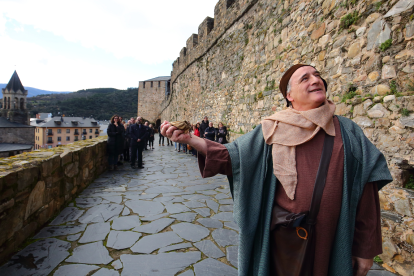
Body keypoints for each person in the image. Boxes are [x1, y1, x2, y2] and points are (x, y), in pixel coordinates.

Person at [161, 64, 393, 276]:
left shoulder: (348, 131)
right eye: (305, 78)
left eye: (317, 75)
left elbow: (367, 190)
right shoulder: (271, 129)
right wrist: (190, 139)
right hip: (284, 240)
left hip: (333, 239)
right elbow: (232, 157)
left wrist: (365, 249)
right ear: (289, 96)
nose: (315, 80)